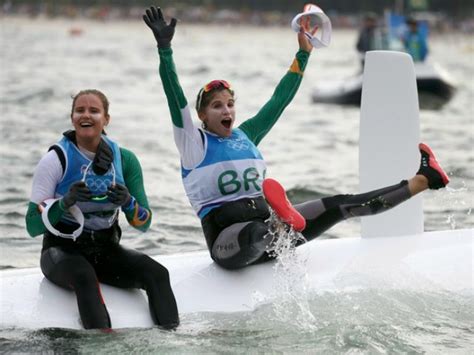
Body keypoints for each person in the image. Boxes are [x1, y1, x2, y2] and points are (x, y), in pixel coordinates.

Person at [143, 7, 450, 270]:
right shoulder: (193, 142)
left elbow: (279, 100)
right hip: (230, 242)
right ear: (202, 115)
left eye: (230, 104)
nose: (226, 110)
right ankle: (281, 223)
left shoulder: (246, 135)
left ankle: (424, 179)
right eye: (217, 106)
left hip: (273, 228)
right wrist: (164, 49)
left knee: (342, 204)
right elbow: (175, 96)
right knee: (255, 234)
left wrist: (303, 54)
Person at [25, 89, 179, 330]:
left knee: (157, 274)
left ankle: (175, 340)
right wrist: (64, 203)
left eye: (94, 111)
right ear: (72, 117)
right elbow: (32, 225)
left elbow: (145, 223)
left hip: (105, 249)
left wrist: (128, 203)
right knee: (84, 276)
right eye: (80, 110)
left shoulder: (125, 160)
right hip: (61, 251)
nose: (86, 115)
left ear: (106, 119)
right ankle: (103, 345)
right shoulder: (56, 159)